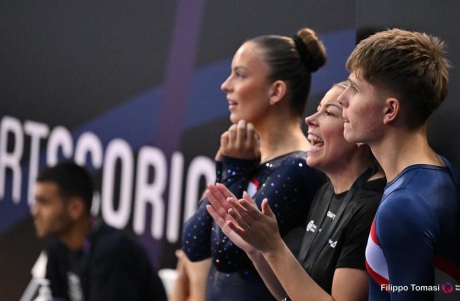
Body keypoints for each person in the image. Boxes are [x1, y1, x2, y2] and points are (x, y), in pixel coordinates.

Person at [181, 28, 328, 300]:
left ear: (276, 91)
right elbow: (194, 243)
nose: (226, 85)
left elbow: (228, 254)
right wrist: (229, 169)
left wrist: (234, 170)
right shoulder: (250, 160)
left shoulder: (298, 169)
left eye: (240, 74)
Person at [206, 81, 386, 301]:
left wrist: (274, 247)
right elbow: (290, 294)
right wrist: (257, 250)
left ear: (356, 128)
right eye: (318, 109)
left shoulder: (371, 208)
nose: (310, 119)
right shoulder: (325, 192)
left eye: (329, 113)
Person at [336, 28, 460, 300]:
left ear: (390, 110)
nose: (342, 99)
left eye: (354, 89)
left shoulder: (403, 206)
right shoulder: (442, 174)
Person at [31, 161, 167, 301]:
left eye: (44, 202)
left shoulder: (114, 253)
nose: (35, 211)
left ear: (75, 208)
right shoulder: (58, 246)